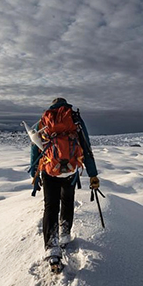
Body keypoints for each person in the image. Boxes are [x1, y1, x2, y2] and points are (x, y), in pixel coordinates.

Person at [29, 98, 100, 267]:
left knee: (50, 206)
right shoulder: (75, 120)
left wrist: (35, 173)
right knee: (67, 201)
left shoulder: (44, 120)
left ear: (52, 106)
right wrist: (93, 175)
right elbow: (86, 147)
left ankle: (52, 248)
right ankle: (65, 234)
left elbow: (35, 149)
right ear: (66, 105)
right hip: (70, 171)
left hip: (49, 171)